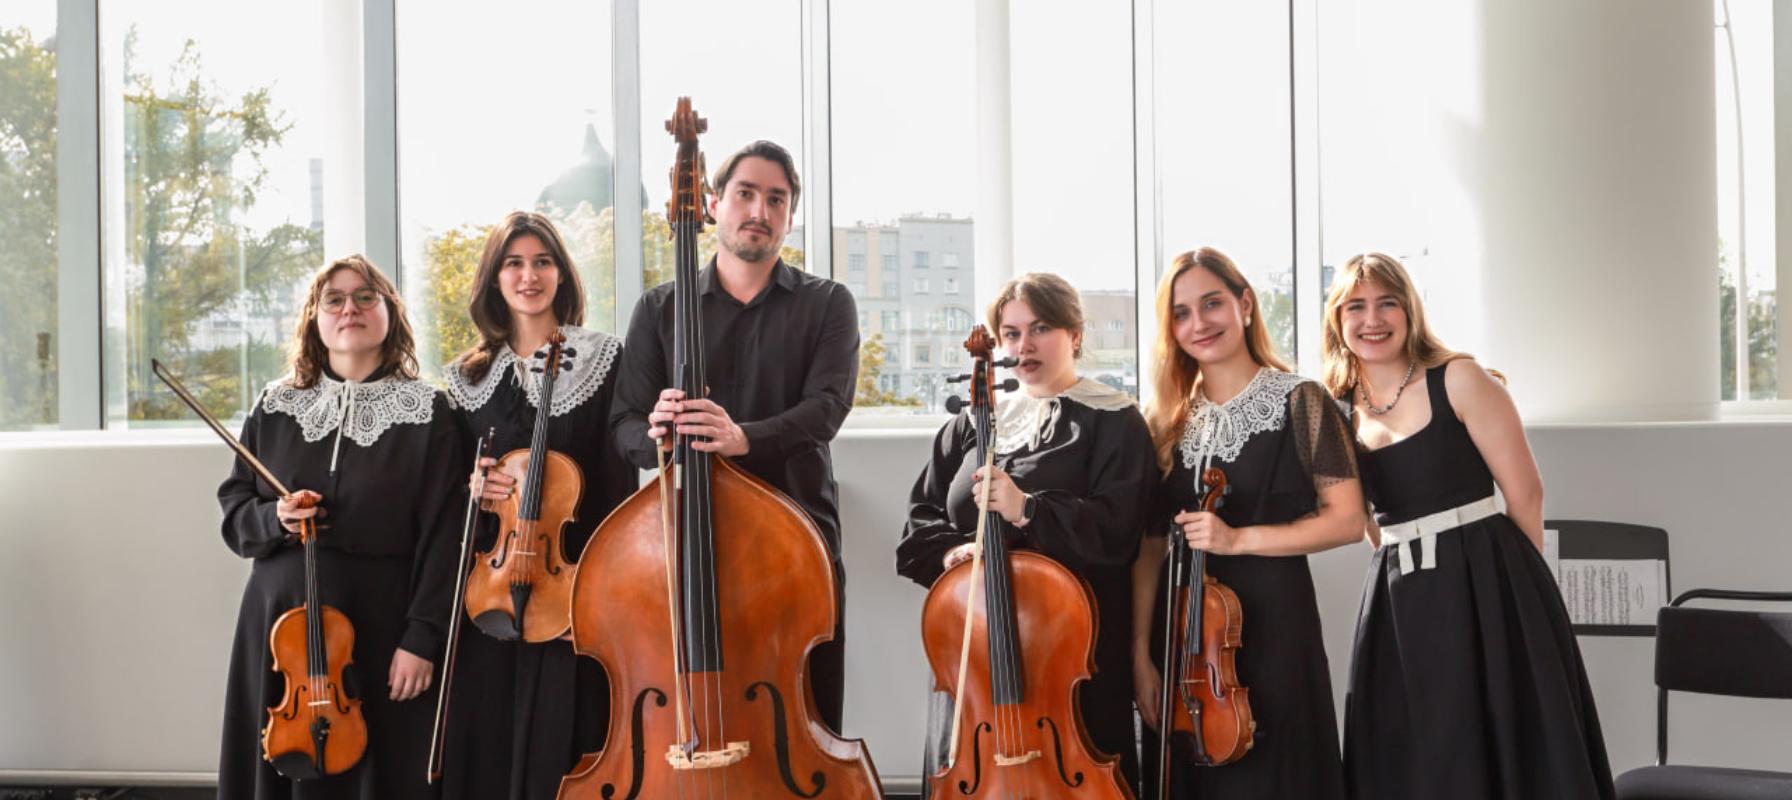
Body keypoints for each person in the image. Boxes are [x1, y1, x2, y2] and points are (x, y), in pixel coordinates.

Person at [1323, 252, 1614, 799]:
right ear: (1338, 320)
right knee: (1415, 750)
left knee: (1506, 738)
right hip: (1398, 598)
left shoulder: (1459, 378)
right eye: (1355, 306)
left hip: (1488, 581)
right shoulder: (1336, 411)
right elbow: (1364, 520)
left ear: (1410, 310)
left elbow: (1526, 493)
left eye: (1387, 303)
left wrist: (1520, 603)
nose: (1372, 319)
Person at [609, 138, 859, 730]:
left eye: (776, 199)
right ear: (714, 203)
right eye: (745, 194)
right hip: (687, 541)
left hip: (795, 538)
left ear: (790, 217)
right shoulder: (658, 308)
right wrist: (657, 435)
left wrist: (743, 438)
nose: (759, 211)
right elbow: (624, 425)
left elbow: (827, 409)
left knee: (804, 708)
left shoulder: (828, 304)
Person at [217, 255, 467, 799]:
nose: (349, 308)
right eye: (334, 299)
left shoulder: (430, 413)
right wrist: (275, 518)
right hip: (279, 631)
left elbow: (446, 538)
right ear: (315, 317)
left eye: (364, 297)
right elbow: (235, 514)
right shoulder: (275, 405)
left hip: (379, 627)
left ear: (389, 313)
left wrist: (422, 638)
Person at [897, 272, 1156, 794]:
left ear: (1074, 335)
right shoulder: (972, 423)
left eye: (1040, 329)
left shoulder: (1114, 420)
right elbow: (918, 526)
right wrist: (953, 555)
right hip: (976, 656)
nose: (1024, 345)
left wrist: (1027, 510)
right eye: (1011, 334)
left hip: (1070, 651)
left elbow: (1119, 531)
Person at [1131, 247, 1365, 799]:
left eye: (1212, 303)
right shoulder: (1164, 418)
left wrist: (1237, 539)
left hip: (1275, 624)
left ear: (1245, 304)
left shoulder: (1301, 400)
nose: (1199, 323)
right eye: (1181, 313)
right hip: (1184, 635)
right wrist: (1139, 655)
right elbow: (1149, 548)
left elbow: (1348, 521)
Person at [438, 211, 638, 800]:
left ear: (562, 274)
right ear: (494, 278)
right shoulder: (466, 377)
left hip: (574, 582)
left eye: (542, 262)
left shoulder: (605, 359)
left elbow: (618, 483)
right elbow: (450, 486)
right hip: (493, 583)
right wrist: (473, 486)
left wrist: (603, 586)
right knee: (488, 741)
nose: (529, 276)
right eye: (514, 263)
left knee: (570, 736)